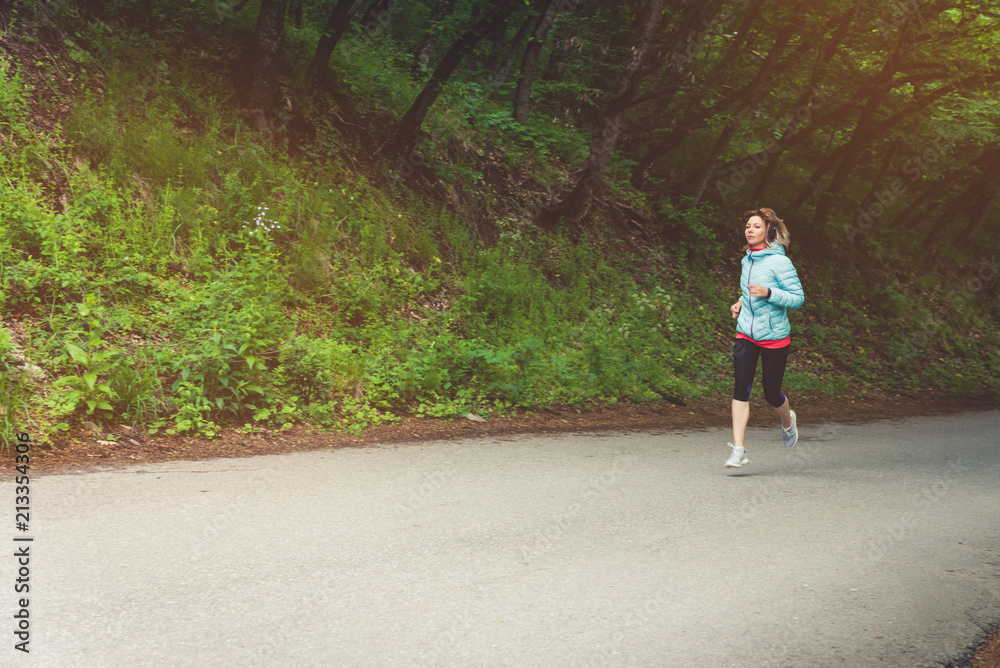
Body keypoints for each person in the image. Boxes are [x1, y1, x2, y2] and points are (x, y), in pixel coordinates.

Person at [725, 208, 804, 468]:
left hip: (774, 337)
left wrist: (770, 292)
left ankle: (787, 421)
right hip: (746, 333)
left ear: (769, 231)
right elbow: (747, 293)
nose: (749, 230)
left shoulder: (781, 263)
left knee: (771, 394)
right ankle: (739, 450)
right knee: (741, 388)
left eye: (756, 226)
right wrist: (740, 302)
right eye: (748, 225)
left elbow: (797, 298)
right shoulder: (747, 260)